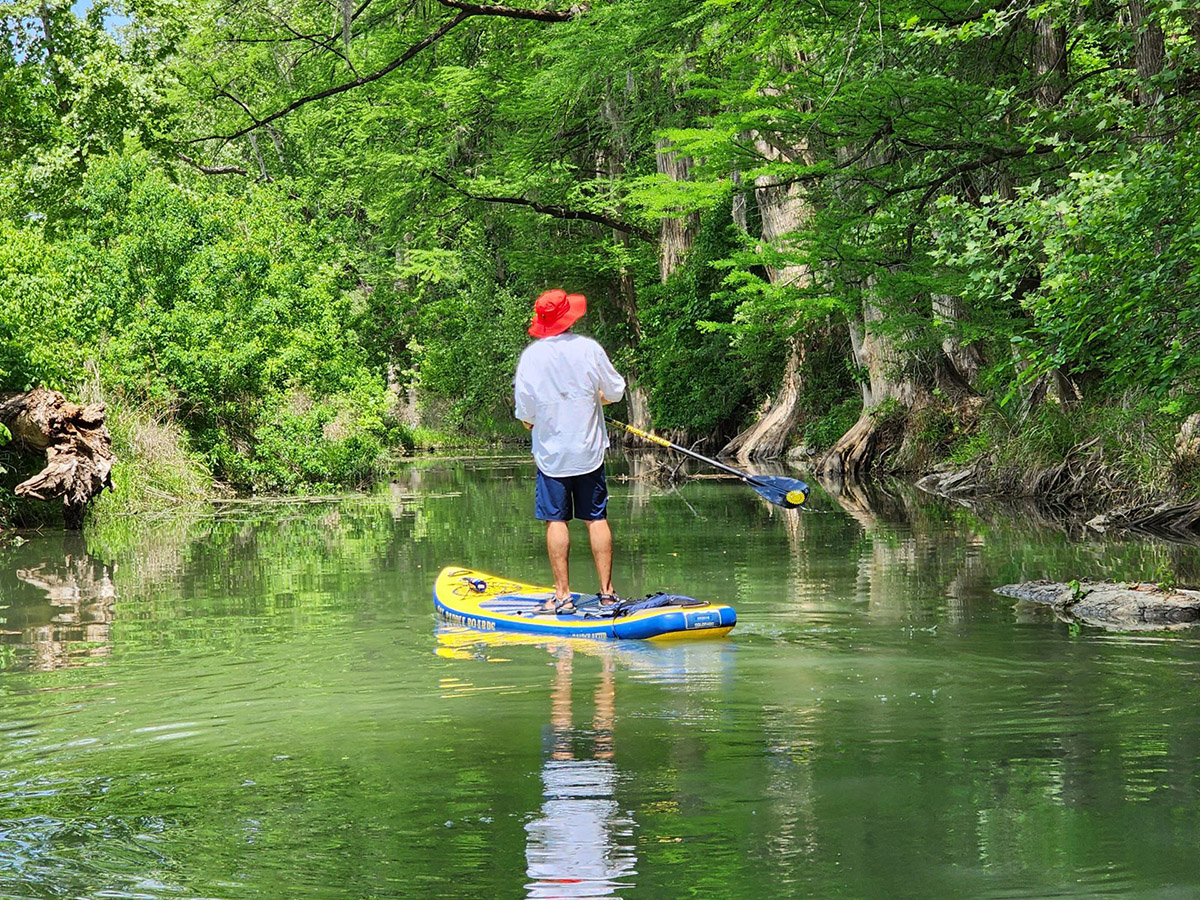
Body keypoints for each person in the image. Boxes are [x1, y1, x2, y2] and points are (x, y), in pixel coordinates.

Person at [514, 289, 625, 613]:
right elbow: (615, 391)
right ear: (569, 317)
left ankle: (562, 596)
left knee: (555, 520)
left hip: (552, 456)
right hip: (588, 451)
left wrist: (530, 422)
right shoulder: (589, 349)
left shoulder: (531, 357)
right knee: (596, 518)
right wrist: (600, 398)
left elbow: (525, 411)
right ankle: (607, 593)